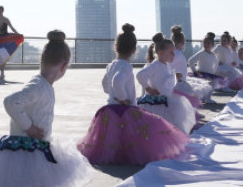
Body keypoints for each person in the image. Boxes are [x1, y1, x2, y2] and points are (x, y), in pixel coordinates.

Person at [0, 30, 90, 187]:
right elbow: (11, 101)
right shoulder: (39, 86)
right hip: (28, 141)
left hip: (32, 141)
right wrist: (29, 127)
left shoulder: (42, 84)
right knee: (31, 172)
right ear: (63, 66)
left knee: (17, 172)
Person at [78, 24, 189, 166]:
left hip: (110, 107)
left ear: (116, 46)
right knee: (133, 133)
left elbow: (106, 83)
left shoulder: (111, 64)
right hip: (124, 108)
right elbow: (117, 80)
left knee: (114, 135)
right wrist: (122, 97)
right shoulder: (125, 66)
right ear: (134, 50)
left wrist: (112, 94)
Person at [136, 36, 196, 134]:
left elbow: (165, 81)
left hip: (165, 100)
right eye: (171, 53)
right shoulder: (155, 65)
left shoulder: (166, 65)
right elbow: (140, 75)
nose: (174, 55)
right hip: (156, 104)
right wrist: (148, 88)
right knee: (159, 129)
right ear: (160, 53)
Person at [170, 25, 211, 105]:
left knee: (191, 98)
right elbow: (175, 70)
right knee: (192, 97)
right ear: (182, 43)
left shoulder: (174, 53)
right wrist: (178, 79)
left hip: (179, 81)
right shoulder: (178, 54)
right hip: (180, 82)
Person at [0, 5, 22, 80]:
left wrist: (18, 34)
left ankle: (2, 74)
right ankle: (2, 73)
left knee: (3, 56)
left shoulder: (6, 19)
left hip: (5, 39)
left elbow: (12, 28)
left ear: (2, 11)